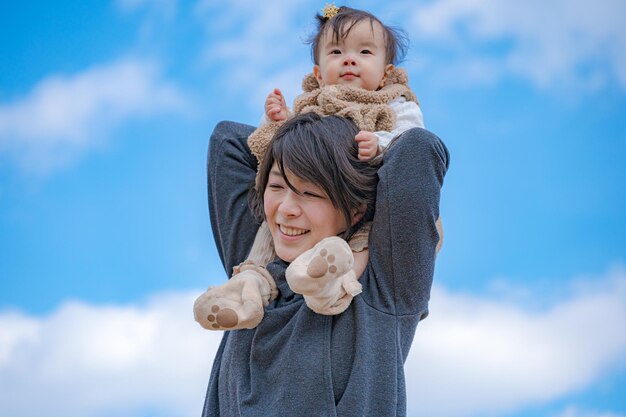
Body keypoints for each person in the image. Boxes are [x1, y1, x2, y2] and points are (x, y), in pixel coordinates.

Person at [194, 5, 442, 328]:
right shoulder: (309, 107)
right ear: (317, 73)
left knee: (363, 242)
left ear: (386, 72)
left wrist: (380, 143)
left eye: (365, 52)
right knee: (267, 232)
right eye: (336, 51)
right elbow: (267, 149)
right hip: (305, 236)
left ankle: (335, 282)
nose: (349, 59)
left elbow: (413, 144)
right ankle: (249, 288)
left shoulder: (394, 104)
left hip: (366, 210)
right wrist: (276, 122)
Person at [198, 112, 449, 416]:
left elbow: (420, 149)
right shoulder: (251, 279)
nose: (286, 209)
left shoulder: (382, 283)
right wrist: (302, 128)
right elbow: (228, 139)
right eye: (277, 187)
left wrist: (370, 144)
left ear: (356, 211)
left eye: (310, 193)